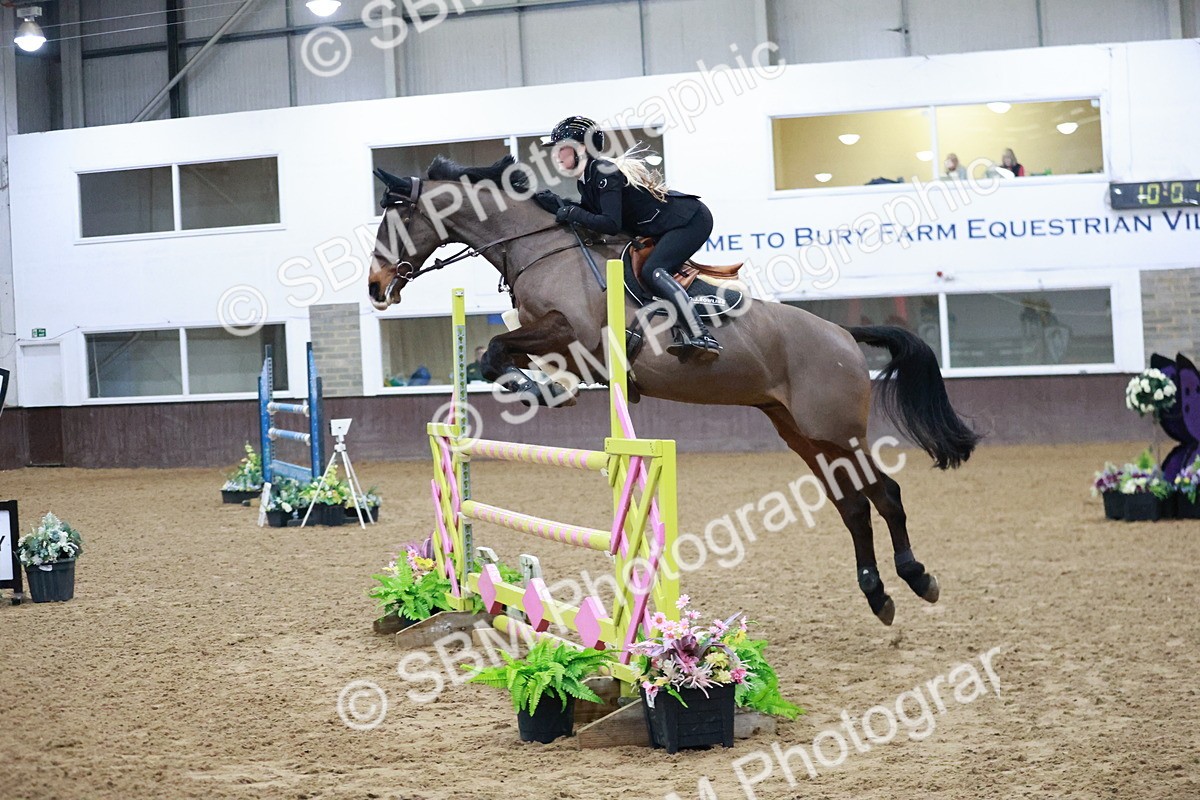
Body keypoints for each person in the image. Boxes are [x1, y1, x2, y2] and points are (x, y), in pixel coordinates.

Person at [533, 116, 721, 362]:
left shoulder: (603, 172)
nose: (556, 156)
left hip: (690, 220)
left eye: (562, 149)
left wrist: (572, 212)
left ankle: (701, 335)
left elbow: (611, 224)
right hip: (666, 225)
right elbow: (592, 215)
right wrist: (558, 205)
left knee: (654, 269)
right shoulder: (587, 180)